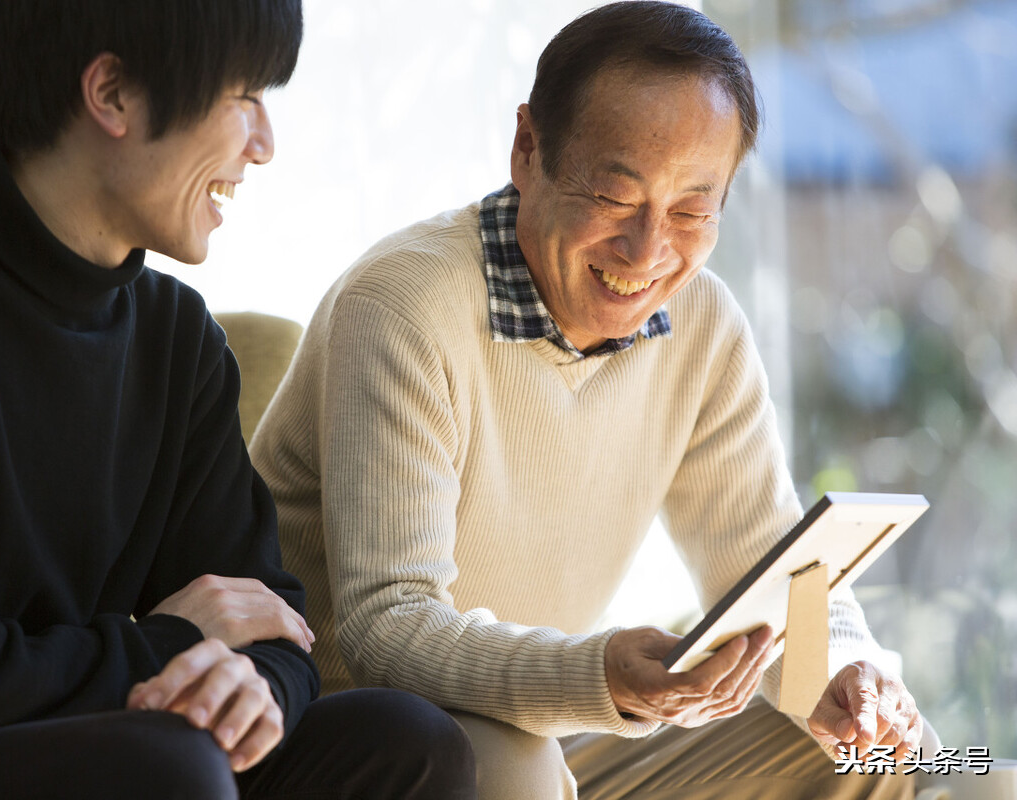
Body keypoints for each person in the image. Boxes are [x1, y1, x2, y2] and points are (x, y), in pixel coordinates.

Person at [249, 2, 932, 798]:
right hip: (353, 738)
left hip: (550, 725)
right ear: (528, 149)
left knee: (868, 749)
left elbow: (767, 569)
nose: (648, 253)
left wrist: (849, 670)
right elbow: (387, 627)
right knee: (509, 766)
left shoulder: (703, 325)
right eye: (616, 197)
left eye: (690, 212)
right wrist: (598, 672)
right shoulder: (406, 306)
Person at [0, 1, 475, 798]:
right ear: (114, 94)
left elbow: (270, 619)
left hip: (97, 740)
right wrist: (169, 646)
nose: (264, 147)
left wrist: (254, 688)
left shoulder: (178, 336)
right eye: (244, 97)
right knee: (172, 767)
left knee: (410, 741)